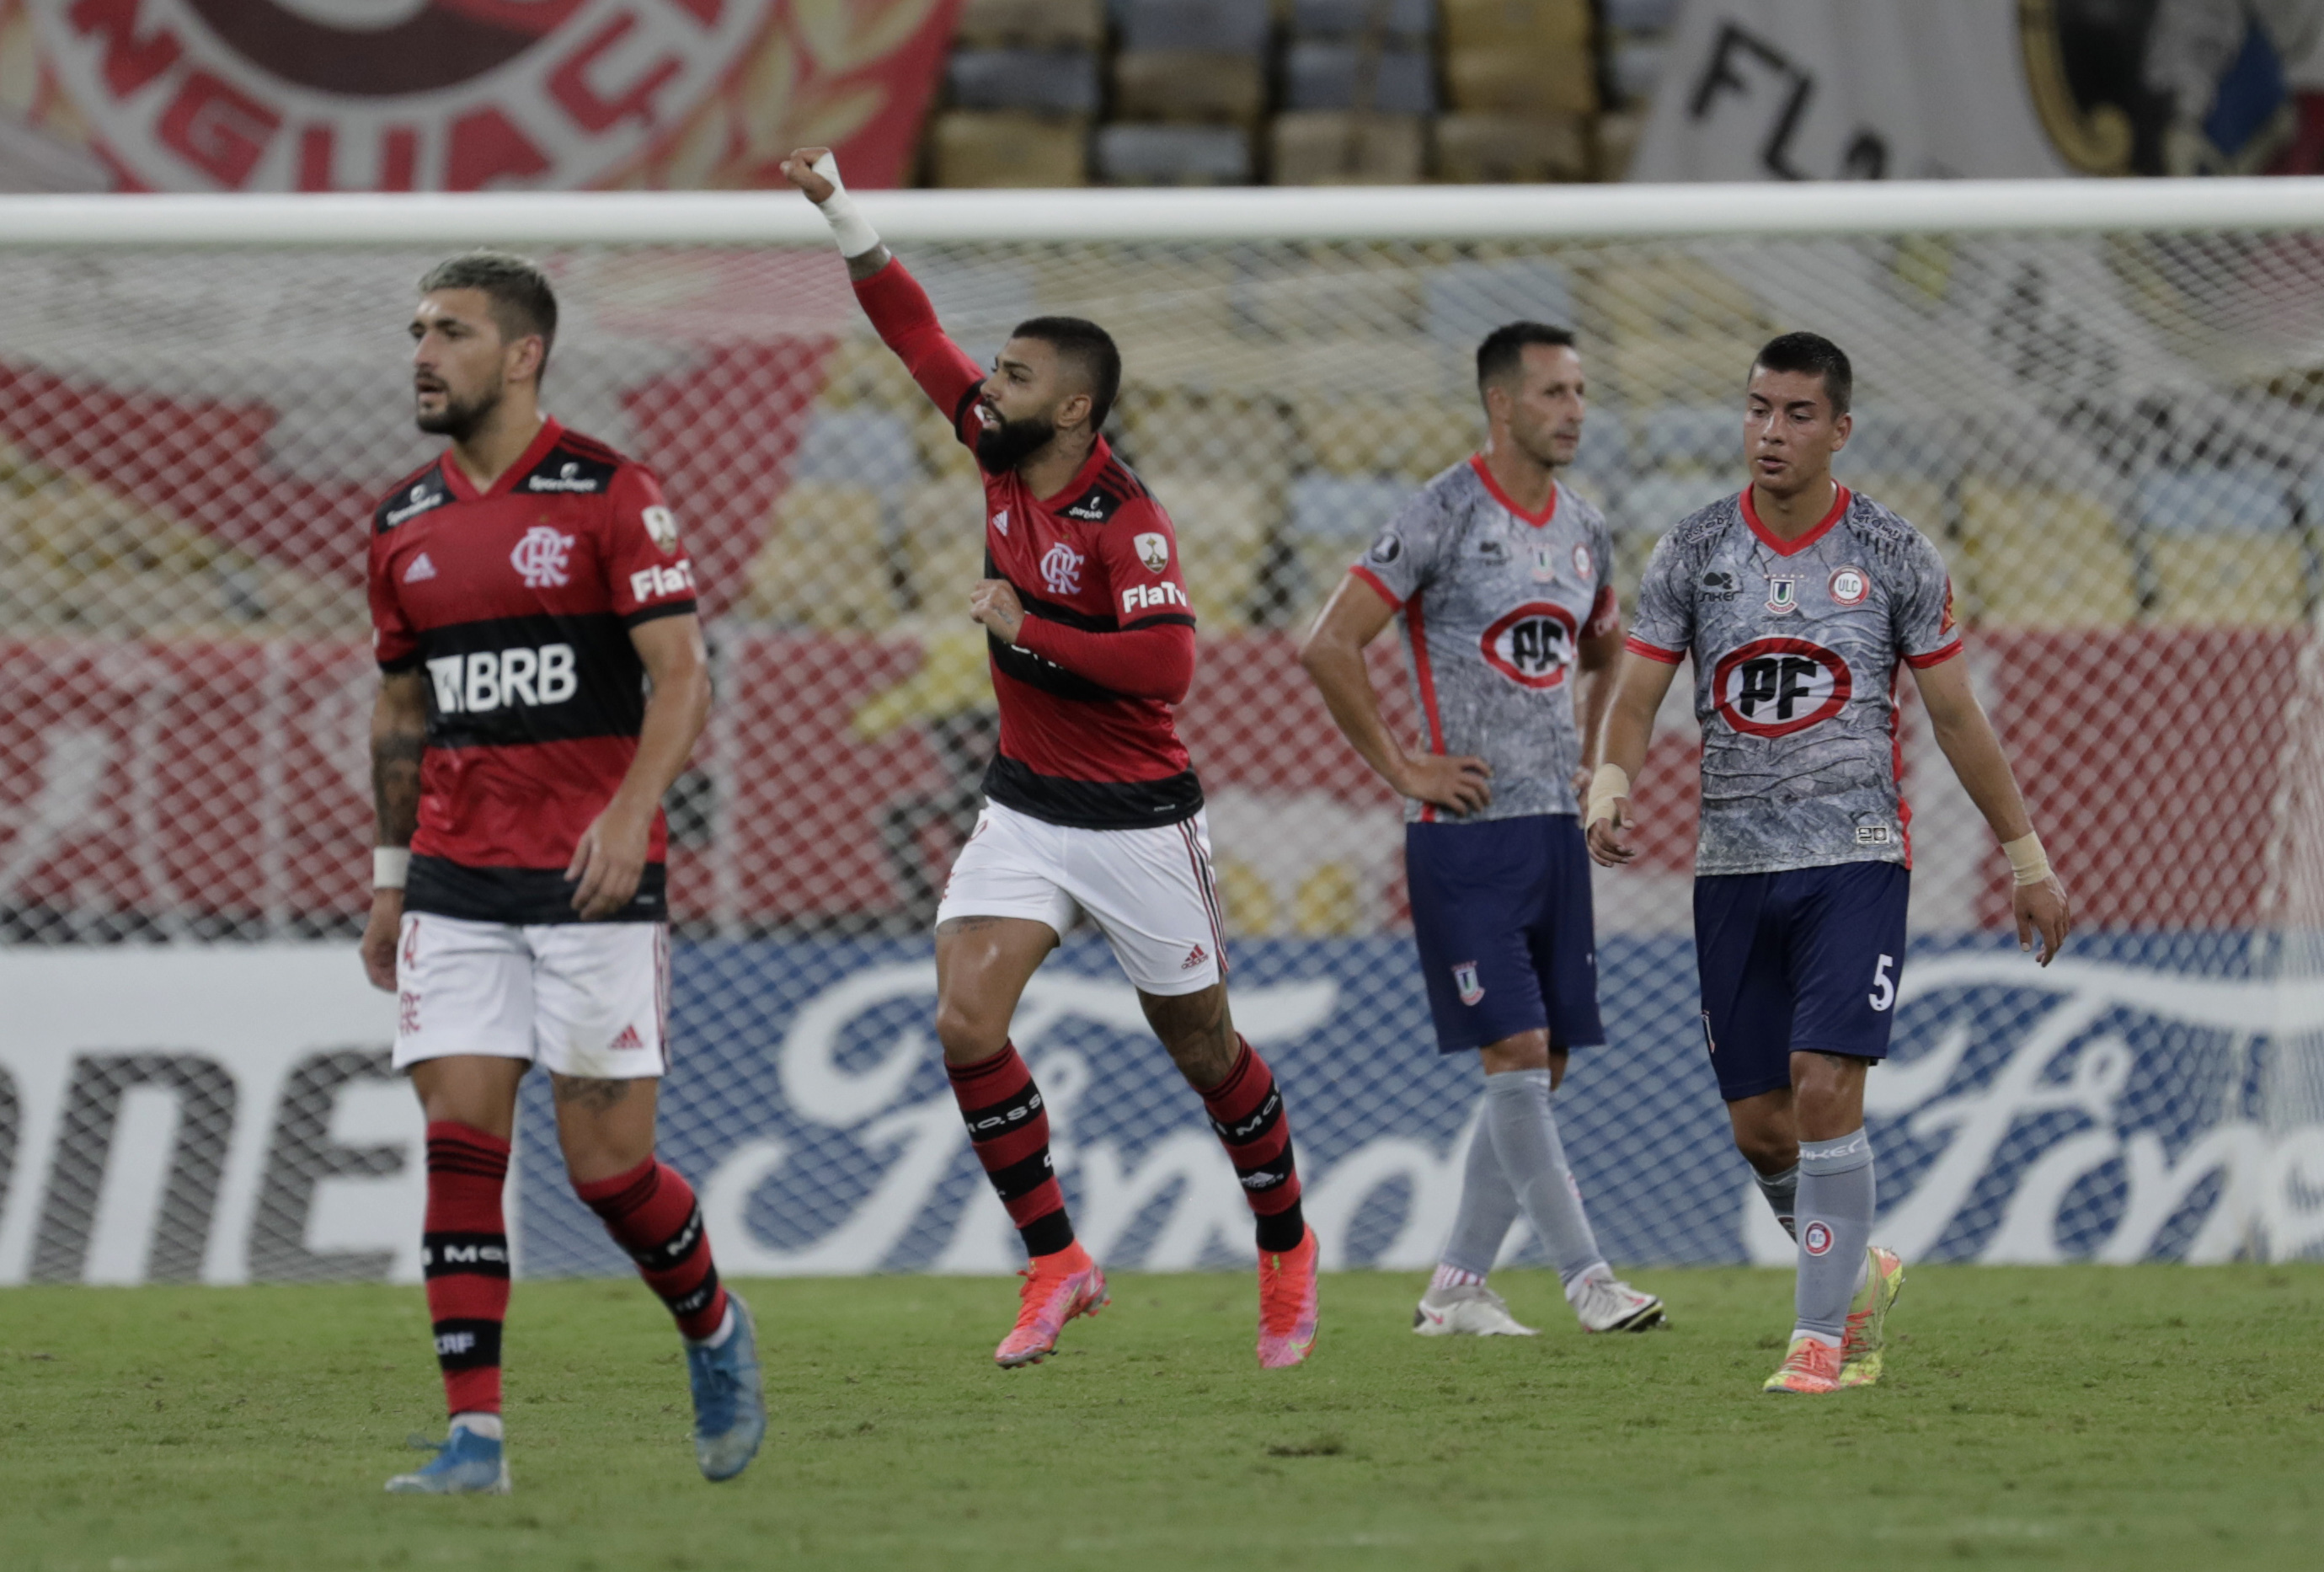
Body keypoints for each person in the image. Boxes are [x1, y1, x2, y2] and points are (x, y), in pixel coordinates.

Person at [779, 148, 1319, 1369]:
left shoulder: (1126, 519)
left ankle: (1284, 1242)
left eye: (1015, 374)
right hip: (1023, 806)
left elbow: (1168, 667)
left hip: (1136, 818)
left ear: (1071, 407)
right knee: (965, 1022)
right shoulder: (991, 444)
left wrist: (1034, 630)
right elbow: (911, 333)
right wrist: (839, 209)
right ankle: (1057, 1259)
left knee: (1204, 1050)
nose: (988, 384)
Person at [1587, 331, 2072, 1394]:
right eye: (1757, 408)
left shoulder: (1895, 553)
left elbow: (1953, 715)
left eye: (1795, 413)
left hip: (1854, 858)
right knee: (1759, 1126)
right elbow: (1635, 695)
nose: (1769, 431)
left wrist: (2025, 859)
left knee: (1821, 1087)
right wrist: (1610, 780)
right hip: (1729, 869)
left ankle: (1819, 1344)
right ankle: (1856, 1270)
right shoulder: (1691, 550)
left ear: (1839, 429)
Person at [362, 252, 764, 1491]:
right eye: (419, 330)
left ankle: (712, 1324)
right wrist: (389, 877)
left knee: (607, 1174)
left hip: (592, 880)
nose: (424, 352)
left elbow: (683, 674)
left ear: (523, 354)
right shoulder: (400, 524)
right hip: (456, 881)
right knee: (461, 1141)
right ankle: (473, 1436)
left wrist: (630, 812)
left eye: (454, 332)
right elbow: (399, 715)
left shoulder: (608, 493)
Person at [1298, 323, 1665, 1338]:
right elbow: (1329, 644)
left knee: (1538, 1070)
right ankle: (1587, 1279)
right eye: (1552, 392)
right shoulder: (1442, 512)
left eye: (1581, 391)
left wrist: (1597, 768)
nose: (1574, 411)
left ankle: (1455, 1286)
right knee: (1516, 1050)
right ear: (1501, 405)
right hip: (1462, 837)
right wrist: (1401, 765)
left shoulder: (1585, 527)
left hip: (1553, 832)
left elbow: (1603, 655)